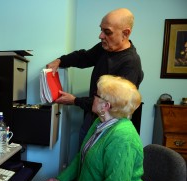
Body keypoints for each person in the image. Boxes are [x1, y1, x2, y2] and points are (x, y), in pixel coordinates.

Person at [29, 75, 145, 181]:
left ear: (106, 106)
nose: (92, 97)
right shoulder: (99, 122)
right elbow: (82, 156)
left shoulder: (122, 137)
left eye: (96, 95)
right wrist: (61, 179)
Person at [47, 8, 144, 146]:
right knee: (83, 160)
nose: (101, 36)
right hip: (92, 119)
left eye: (107, 32)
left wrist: (75, 101)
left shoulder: (131, 64)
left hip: (108, 128)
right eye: (101, 30)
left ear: (125, 33)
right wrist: (60, 61)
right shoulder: (105, 47)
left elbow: (113, 104)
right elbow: (84, 57)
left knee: (94, 165)